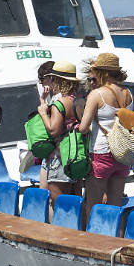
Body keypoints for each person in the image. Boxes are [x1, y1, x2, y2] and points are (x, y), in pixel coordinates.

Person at [78, 51, 134, 213]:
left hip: (101, 152)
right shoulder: (128, 94)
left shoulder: (96, 94)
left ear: (102, 72)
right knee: (114, 206)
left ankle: (91, 238)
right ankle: (111, 236)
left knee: (93, 205)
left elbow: (83, 128)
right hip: (123, 154)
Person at [36, 60, 82, 205]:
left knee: (58, 205)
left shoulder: (59, 103)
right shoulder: (78, 101)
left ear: (58, 80)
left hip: (59, 159)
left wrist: (43, 113)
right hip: (74, 157)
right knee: (74, 204)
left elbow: (53, 130)